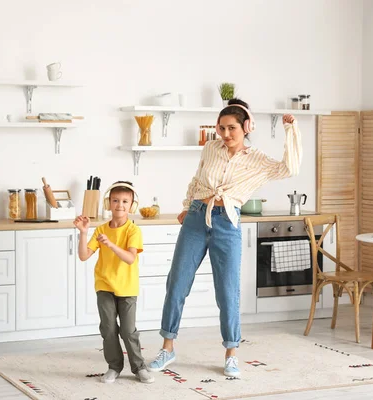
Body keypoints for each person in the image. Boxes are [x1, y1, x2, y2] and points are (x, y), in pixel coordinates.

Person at [148, 98, 301, 377]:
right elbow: (196, 180)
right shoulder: (210, 148)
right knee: (177, 283)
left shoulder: (258, 160)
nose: (226, 134)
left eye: (231, 128)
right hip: (196, 218)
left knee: (227, 292)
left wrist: (291, 131)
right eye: (221, 128)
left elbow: (289, 169)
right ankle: (167, 347)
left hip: (227, 222)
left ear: (246, 127)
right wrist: (186, 206)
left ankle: (231, 353)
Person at [73, 181, 154, 384]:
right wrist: (83, 233)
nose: (120, 205)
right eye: (116, 200)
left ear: (132, 205)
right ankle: (114, 366)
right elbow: (84, 255)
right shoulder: (100, 229)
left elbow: (130, 258)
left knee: (128, 331)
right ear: (109, 203)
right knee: (108, 329)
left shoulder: (133, 230)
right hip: (105, 286)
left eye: (125, 201)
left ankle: (139, 367)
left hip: (127, 288)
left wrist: (110, 244)